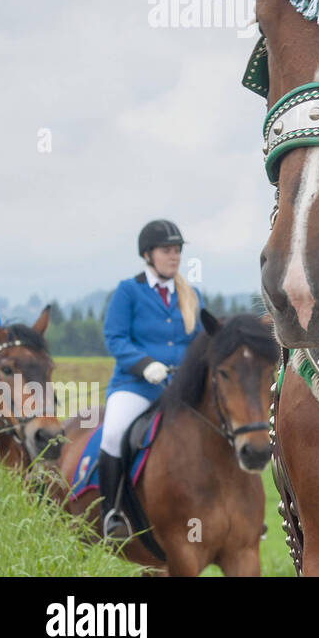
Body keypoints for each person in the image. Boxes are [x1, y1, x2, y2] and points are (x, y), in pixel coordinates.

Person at [98, 220, 204, 538]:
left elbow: (200, 342)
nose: (174, 257)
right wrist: (144, 365)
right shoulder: (128, 291)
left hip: (179, 388)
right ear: (148, 254)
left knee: (220, 428)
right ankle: (112, 513)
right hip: (135, 386)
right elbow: (115, 338)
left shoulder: (191, 294)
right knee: (114, 433)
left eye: (177, 251)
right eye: (166, 251)